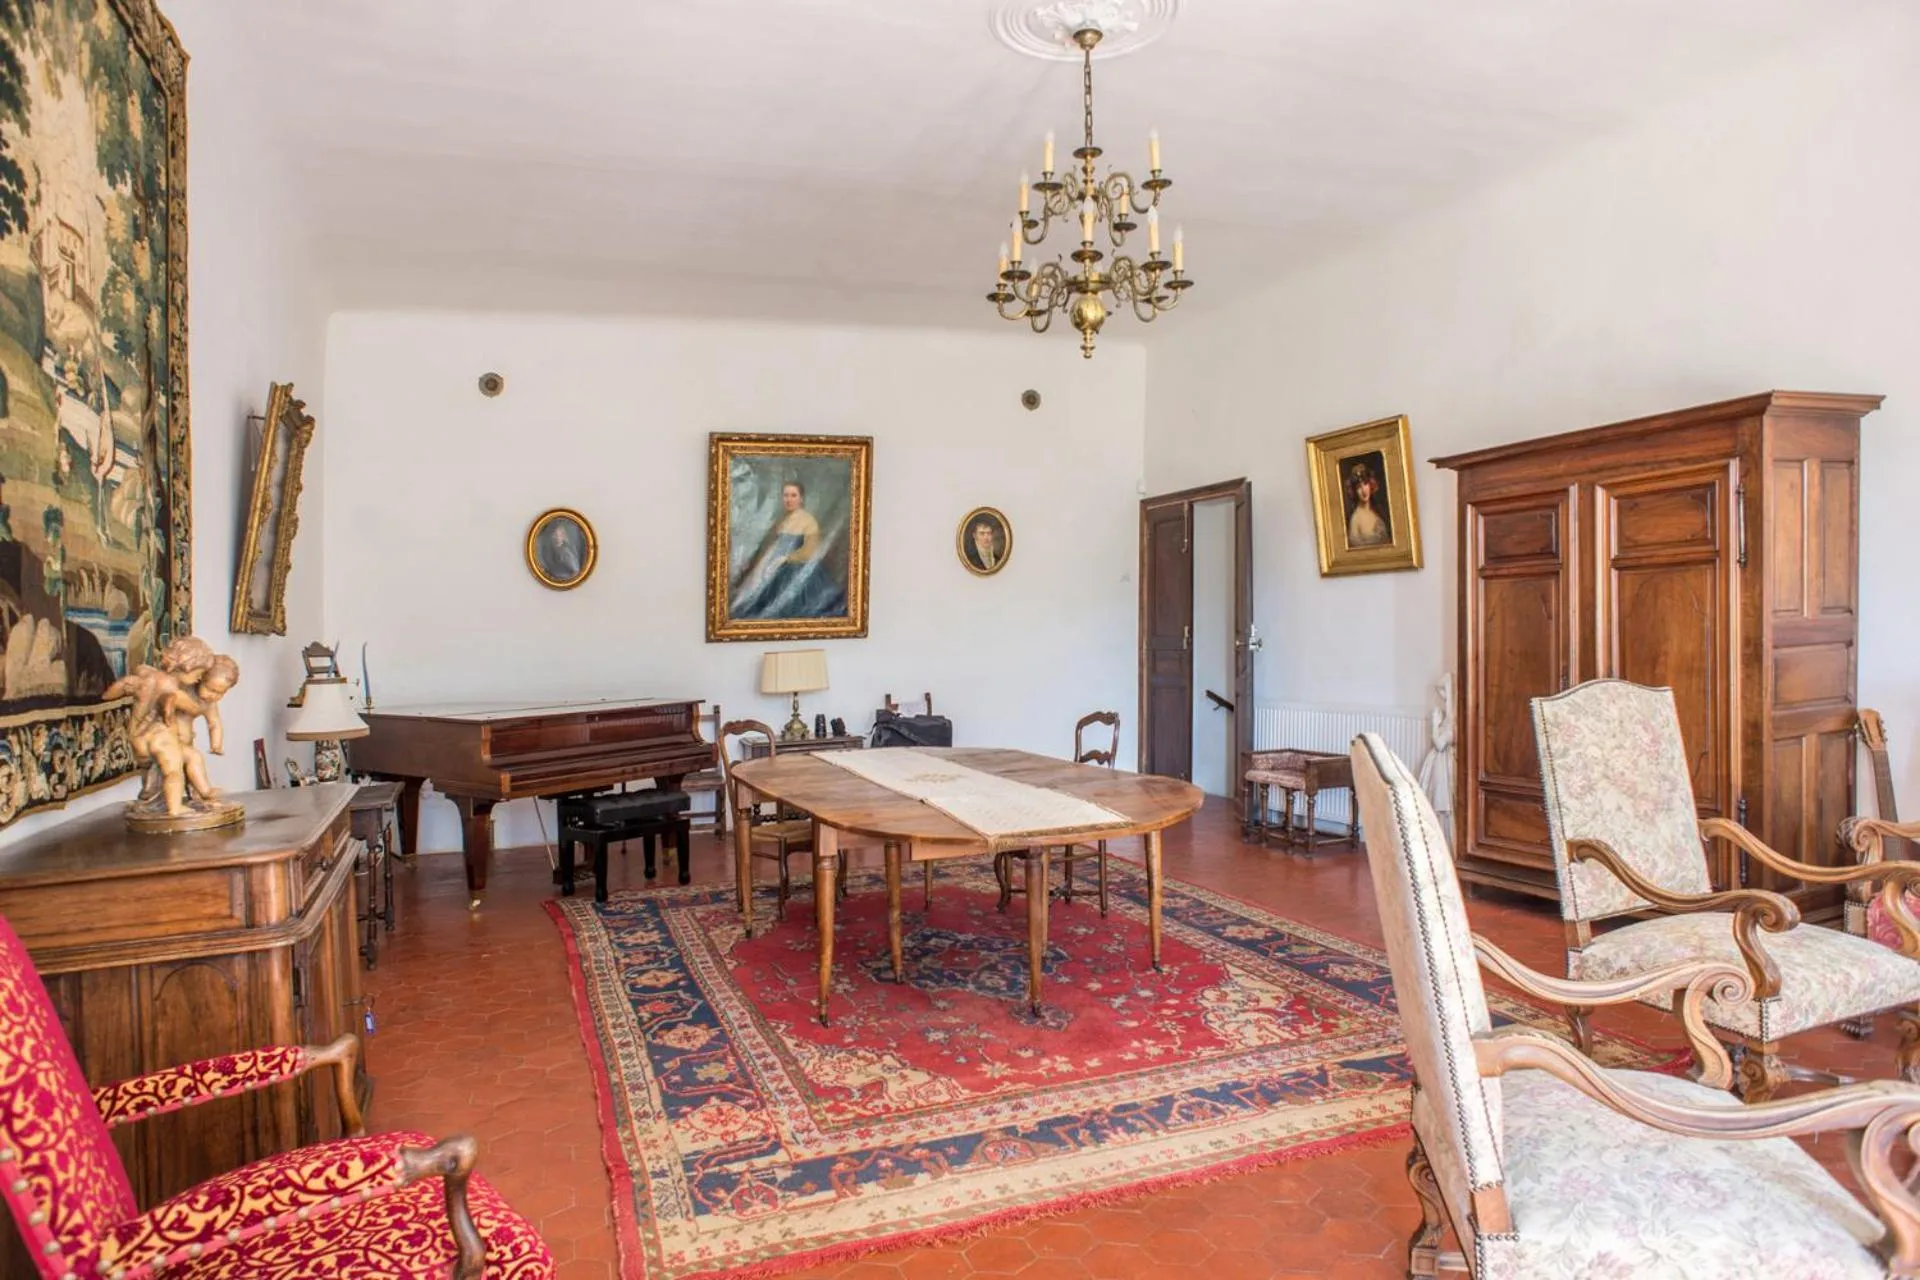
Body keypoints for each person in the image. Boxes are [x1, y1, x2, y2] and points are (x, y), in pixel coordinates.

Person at [731, 480, 846, 619]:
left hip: (800, 572)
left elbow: (809, 551)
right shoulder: (785, 520)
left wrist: (785, 558)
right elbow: (776, 546)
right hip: (777, 571)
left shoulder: (808, 520)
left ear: (801, 498)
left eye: (793, 495)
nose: (789, 499)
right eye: (786, 495)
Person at [1345, 462, 1390, 548]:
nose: (1363, 490)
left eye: (1365, 484)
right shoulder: (1355, 519)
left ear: (1370, 485)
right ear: (1354, 491)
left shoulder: (1378, 511)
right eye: (1359, 487)